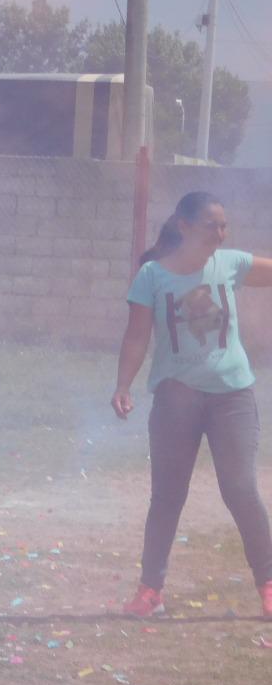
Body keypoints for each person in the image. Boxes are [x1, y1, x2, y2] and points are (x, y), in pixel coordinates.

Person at [113, 191, 272, 619]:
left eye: (224, 226)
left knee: (240, 488)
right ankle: (151, 591)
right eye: (211, 225)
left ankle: (269, 585)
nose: (220, 234)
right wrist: (123, 384)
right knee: (167, 496)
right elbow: (136, 336)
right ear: (183, 226)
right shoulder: (151, 275)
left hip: (232, 395)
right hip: (175, 398)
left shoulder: (231, 263)